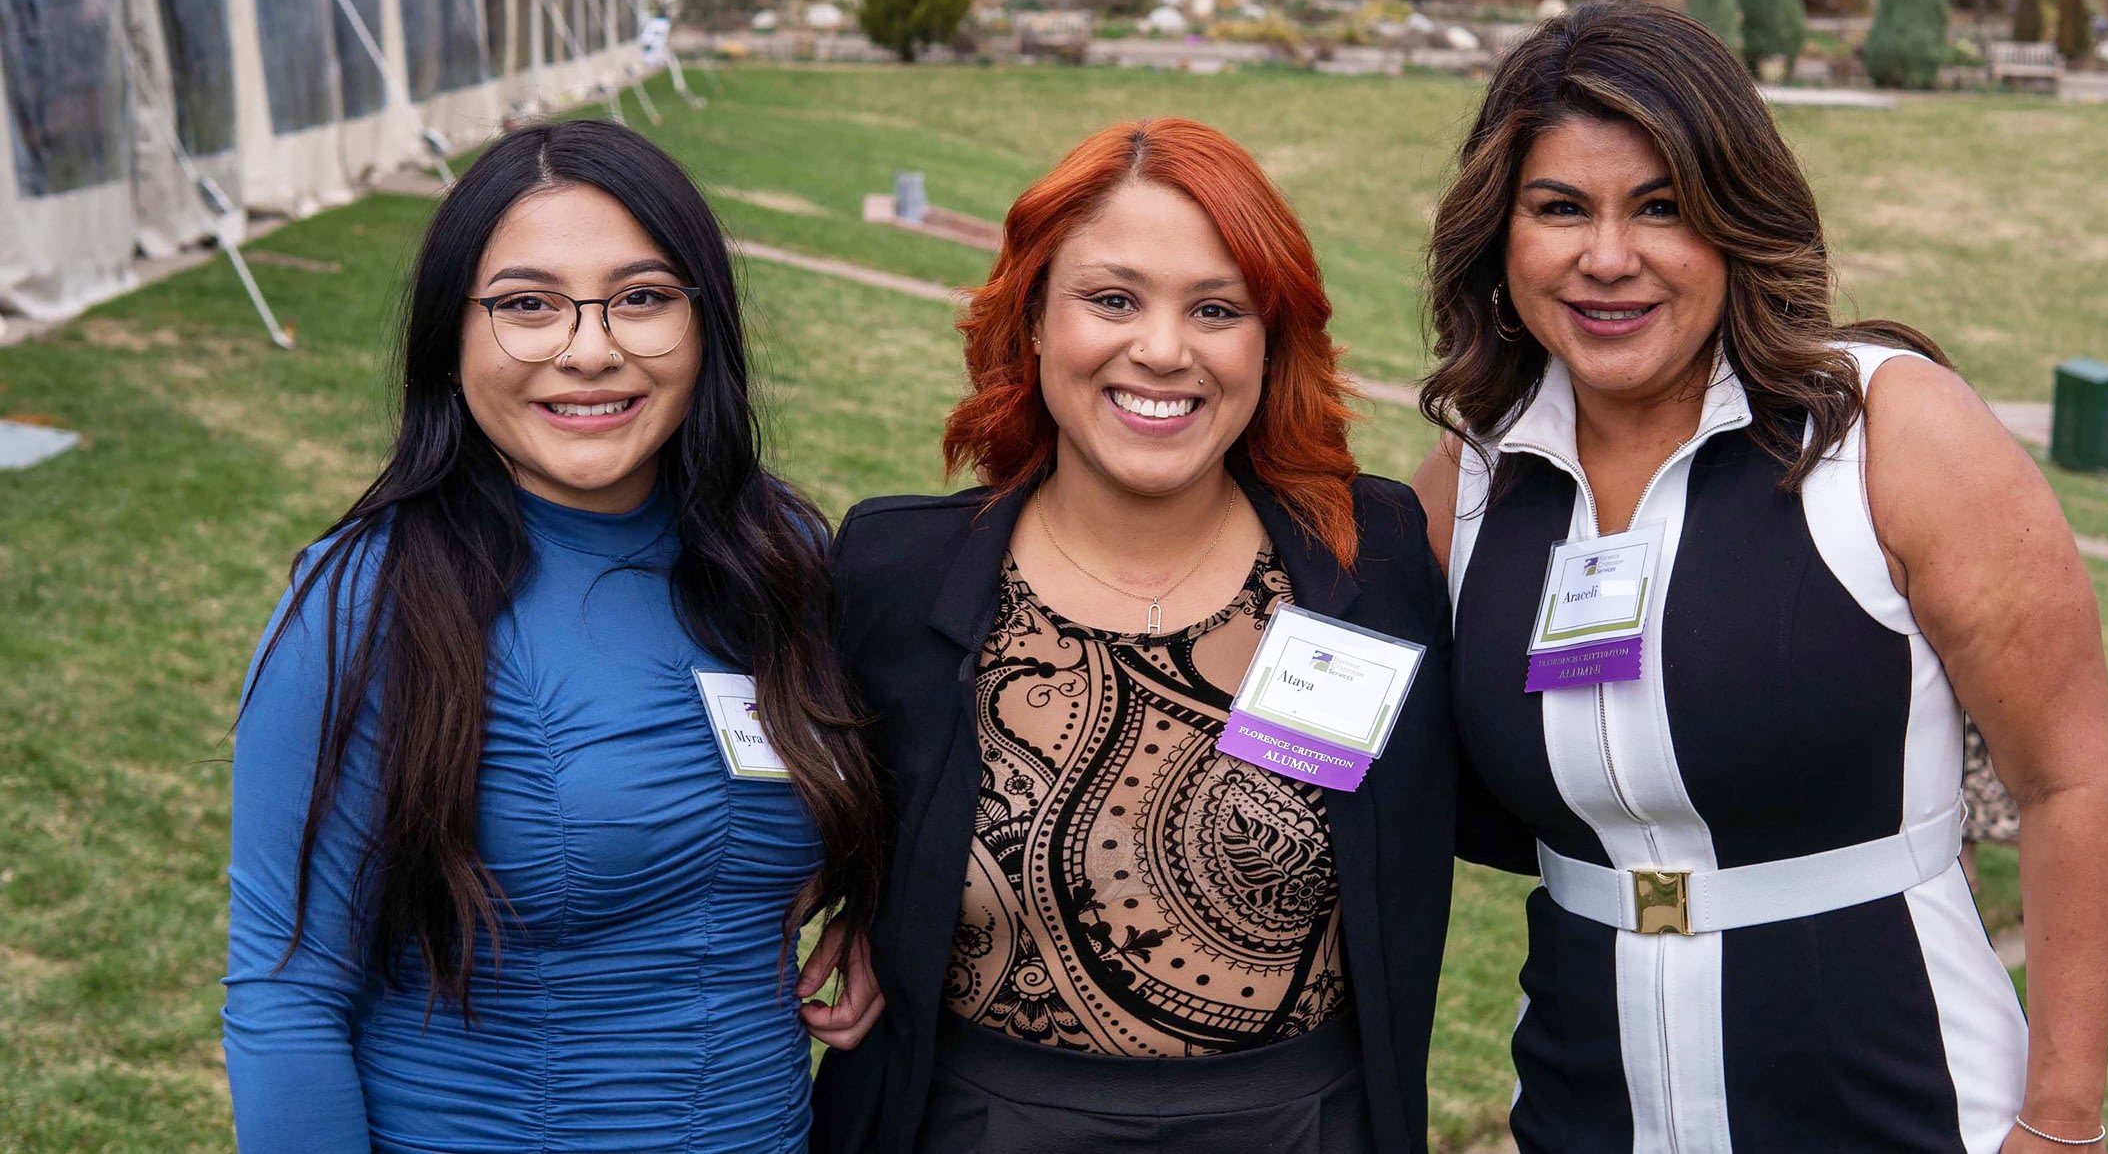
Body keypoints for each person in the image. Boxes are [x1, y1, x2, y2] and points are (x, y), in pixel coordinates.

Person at [1411, 0, 2108, 1153]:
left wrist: (2060, 1123)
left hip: (1900, 1104)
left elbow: (2071, 783)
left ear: (1736, 222)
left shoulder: (1887, 428)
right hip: (1586, 1110)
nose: (1608, 257)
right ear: (1502, 237)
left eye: (1661, 208)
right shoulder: (1475, 477)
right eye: (1560, 209)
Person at [223, 120, 885, 1152]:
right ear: (453, 337)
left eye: (642, 298)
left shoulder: (778, 552)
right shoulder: (365, 599)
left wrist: (873, 911)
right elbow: (284, 994)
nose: (589, 349)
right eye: (527, 305)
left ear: (704, 326)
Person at [812, 118, 1457, 1154]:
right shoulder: (890, 574)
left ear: (1269, 338)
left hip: (1305, 1126)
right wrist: (862, 906)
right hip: (979, 1125)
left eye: (1216, 308)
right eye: (1112, 299)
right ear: (1031, 317)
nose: (1163, 349)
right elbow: (807, 813)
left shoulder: (1371, 560)